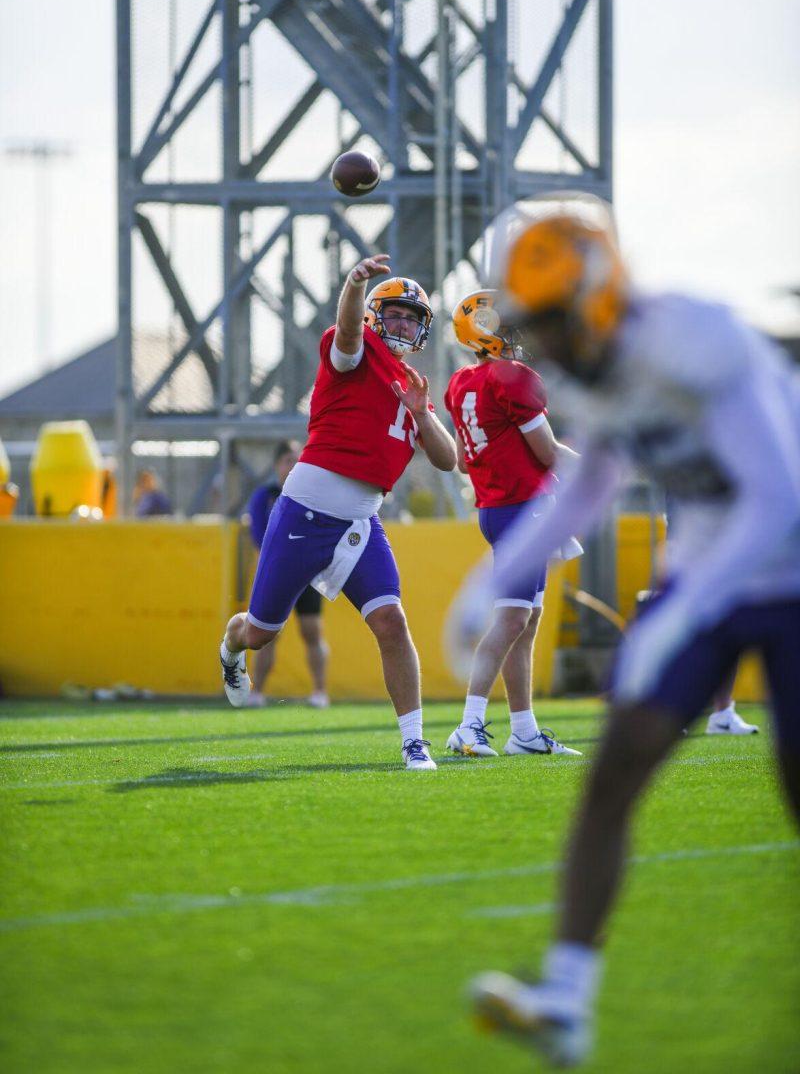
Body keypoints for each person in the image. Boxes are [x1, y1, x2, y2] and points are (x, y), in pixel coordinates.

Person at [450, 196, 800, 1065]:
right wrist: (485, 582)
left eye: (557, 321)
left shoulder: (697, 341)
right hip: (715, 558)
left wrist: (682, 610)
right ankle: (566, 1001)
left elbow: (778, 495)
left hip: (791, 566)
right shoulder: (596, 362)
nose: (556, 343)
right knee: (615, 769)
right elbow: (588, 482)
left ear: (599, 294)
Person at [219, 254, 457, 770]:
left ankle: (415, 742)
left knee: (392, 622)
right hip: (305, 512)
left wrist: (421, 414)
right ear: (376, 316)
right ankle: (231, 646)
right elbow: (348, 330)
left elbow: (447, 459)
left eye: (413, 319)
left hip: (359, 524)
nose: (403, 325)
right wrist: (353, 283)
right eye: (395, 314)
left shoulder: (411, 384)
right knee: (261, 633)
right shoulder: (357, 349)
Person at [443, 289, 581, 758]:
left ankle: (523, 730)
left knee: (526, 619)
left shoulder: (461, 382)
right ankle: (469, 724)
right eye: (509, 329)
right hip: (523, 509)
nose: (518, 338)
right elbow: (548, 453)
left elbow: (463, 462)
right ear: (485, 332)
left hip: (496, 508)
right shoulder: (514, 378)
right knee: (512, 619)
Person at [245, 440, 330, 708]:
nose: (293, 467)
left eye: (298, 460)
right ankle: (256, 692)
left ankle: (320, 692)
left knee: (312, 631)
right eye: (288, 461)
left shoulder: (315, 496)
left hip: (308, 576)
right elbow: (259, 535)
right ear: (277, 465)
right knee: (264, 635)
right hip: (275, 573)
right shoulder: (265, 496)